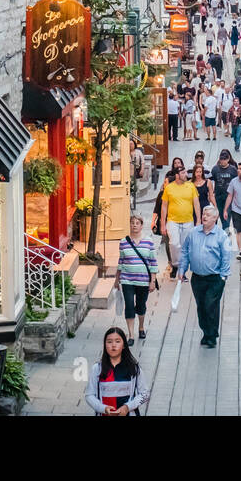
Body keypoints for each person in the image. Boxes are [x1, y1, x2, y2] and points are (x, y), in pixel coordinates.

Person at [178, 206, 234, 347]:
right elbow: (185, 251)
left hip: (215, 278)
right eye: (204, 214)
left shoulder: (221, 236)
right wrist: (182, 269)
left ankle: (212, 335)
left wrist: (223, 277)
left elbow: (226, 257)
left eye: (208, 215)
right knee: (201, 306)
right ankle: (206, 332)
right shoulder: (193, 233)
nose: (204, 216)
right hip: (197, 278)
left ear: (215, 218)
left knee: (211, 305)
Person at [116, 215, 160, 344]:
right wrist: (117, 279)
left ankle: (141, 327)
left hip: (143, 280)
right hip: (127, 280)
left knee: (141, 306)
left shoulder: (148, 242)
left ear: (141, 226)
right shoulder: (123, 242)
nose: (134, 225)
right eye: (132, 223)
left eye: (137, 223)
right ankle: (131, 335)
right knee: (129, 306)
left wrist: (152, 281)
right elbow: (121, 261)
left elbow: (153, 263)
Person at [85, 327, 150, 416]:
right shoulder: (97, 368)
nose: (113, 345)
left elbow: (145, 394)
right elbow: (89, 395)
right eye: (109, 342)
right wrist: (103, 408)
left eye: (117, 341)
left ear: (124, 345)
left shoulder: (134, 368)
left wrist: (127, 407)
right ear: (105, 345)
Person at [160, 169, 200, 279]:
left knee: (184, 246)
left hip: (188, 221)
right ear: (177, 175)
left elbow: (196, 204)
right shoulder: (169, 188)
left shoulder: (191, 186)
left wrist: (198, 220)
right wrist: (163, 224)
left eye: (186, 172)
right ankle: (175, 264)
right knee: (174, 243)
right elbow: (164, 207)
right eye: (183, 173)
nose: (186, 175)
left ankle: (182, 270)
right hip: (172, 221)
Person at [209, 150, 237, 229]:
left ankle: (225, 231)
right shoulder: (215, 169)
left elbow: (237, 183)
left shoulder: (233, 170)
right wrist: (211, 193)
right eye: (221, 159)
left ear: (228, 159)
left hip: (229, 196)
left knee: (226, 216)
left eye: (224, 159)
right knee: (218, 214)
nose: (223, 161)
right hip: (218, 196)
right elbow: (211, 181)